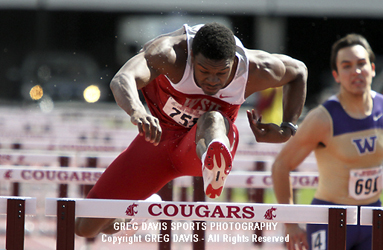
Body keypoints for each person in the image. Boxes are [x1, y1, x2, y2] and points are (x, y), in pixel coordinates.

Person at [75, 22, 307, 238]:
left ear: (233, 63)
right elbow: (122, 78)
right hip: (159, 142)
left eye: (221, 73)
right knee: (85, 228)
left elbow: (298, 71)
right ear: (191, 57)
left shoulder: (254, 69)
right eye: (205, 71)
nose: (213, 81)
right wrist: (137, 110)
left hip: (202, 147)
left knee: (213, 118)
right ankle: (136, 214)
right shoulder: (168, 55)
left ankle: (213, 162)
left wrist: (287, 128)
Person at [271, 33, 383, 250]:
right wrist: (290, 223)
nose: (356, 71)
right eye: (347, 66)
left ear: (373, 69)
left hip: (372, 217)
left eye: (361, 64)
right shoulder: (322, 118)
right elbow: (281, 165)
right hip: (329, 218)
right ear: (336, 75)